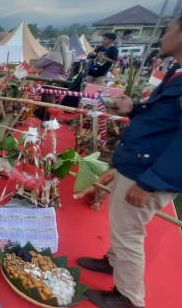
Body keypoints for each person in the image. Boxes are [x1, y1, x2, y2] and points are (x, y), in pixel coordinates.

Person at [78, 17, 182, 308]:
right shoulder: (176, 71)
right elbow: (166, 121)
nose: (162, 38)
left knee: (129, 233)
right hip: (139, 161)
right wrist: (134, 108)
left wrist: (150, 183)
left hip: (148, 171)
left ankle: (129, 298)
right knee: (121, 225)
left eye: (168, 31)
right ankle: (114, 262)